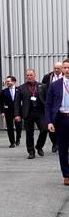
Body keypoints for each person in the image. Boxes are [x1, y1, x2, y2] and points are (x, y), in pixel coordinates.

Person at [14, 69, 48, 159]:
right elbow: (16, 103)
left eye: (31, 75)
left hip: (40, 113)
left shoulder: (42, 86)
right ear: (26, 76)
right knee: (29, 134)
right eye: (27, 75)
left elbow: (47, 100)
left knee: (44, 130)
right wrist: (17, 115)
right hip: (28, 113)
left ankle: (39, 146)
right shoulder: (21, 88)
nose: (29, 77)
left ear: (34, 75)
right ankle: (31, 152)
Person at [45, 58, 69, 186]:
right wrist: (49, 121)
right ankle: (66, 174)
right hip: (61, 118)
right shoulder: (55, 85)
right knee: (63, 148)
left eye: (68, 67)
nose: (66, 70)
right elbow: (48, 104)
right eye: (65, 67)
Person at [43, 62, 63, 152]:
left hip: (62, 105)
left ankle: (61, 144)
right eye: (55, 68)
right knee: (51, 125)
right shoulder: (48, 77)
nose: (56, 70)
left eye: (58, 68)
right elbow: (42, 89)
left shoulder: (65, 77)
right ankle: (55, 143)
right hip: (52, 104)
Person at [0, 76, 22, 148]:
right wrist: (2, 111)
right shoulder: (4, 91)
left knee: (18, 126)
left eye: (8, 81)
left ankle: (18, 138)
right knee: (10, 127)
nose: (7, 83)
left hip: (18, 111)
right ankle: (12, 142)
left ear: (13, 82)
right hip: (8, 111)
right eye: (6, 81)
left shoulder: (19, 90)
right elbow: (1, 102)